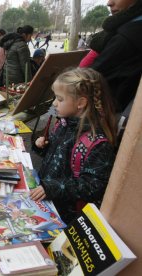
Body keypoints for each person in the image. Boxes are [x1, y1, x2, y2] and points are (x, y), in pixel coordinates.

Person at [30, 68, 117, 223]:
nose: (55, 103)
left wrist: (52, 188)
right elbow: (58, 159)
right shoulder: (64, 123)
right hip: (48, 201)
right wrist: (41, 146)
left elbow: (92, 185)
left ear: (81, 103)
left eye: (60, 99)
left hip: (66, 215)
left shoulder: (98, 143)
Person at [89, 0, 142, 113]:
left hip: (108, 114)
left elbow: (89, 77)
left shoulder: (126, 38)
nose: (109, 3)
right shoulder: (123, 32)